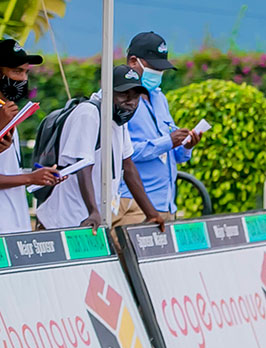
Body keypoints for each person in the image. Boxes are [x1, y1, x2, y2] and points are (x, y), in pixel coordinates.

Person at [36, 65, 166, 234]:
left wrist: (151, 213)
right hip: (67, 220)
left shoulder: (118, 120)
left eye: (135, 96)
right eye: (123, 94)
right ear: (107, 92)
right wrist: (93, 211)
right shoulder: (89, 113)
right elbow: (83, 166)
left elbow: (128, 166)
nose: (131, 102)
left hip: (92, 221)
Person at [115, 32, 200, 228]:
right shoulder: (119, 99)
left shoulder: (159, 98)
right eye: (154, 68)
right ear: (133, 61)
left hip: (166, 204)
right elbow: (121, 153)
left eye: (162, 69)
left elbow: (175, 155)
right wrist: (167, 142)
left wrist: (186, 145)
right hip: (133, 205)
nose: (159, 74)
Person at [0, 39, 63, 234]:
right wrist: (30, 177)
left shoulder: (7, 110)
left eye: (26, 72)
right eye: (17, 71)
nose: (23, 79)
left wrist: (40, 175)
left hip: (14, 221)